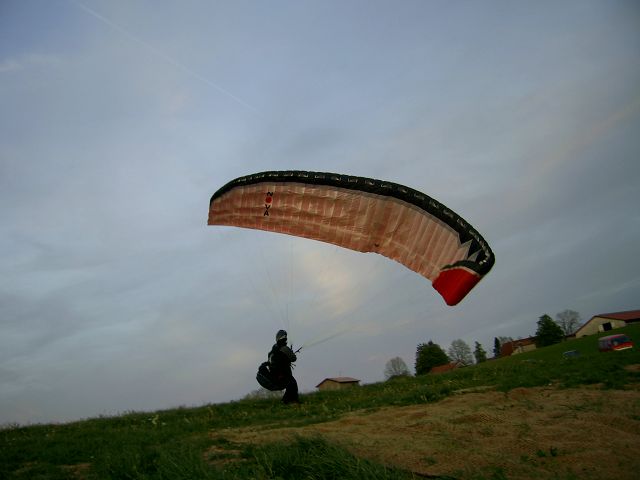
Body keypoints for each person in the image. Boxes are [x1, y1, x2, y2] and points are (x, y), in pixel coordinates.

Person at [269, 329, 300, 404]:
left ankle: (287, 401)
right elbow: (293, 358)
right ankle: (292, 401)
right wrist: (291, 353)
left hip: (274, 375)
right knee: (293, 384)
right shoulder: (284, 348)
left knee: (291, 385)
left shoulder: (273, 350)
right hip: (284, 374)